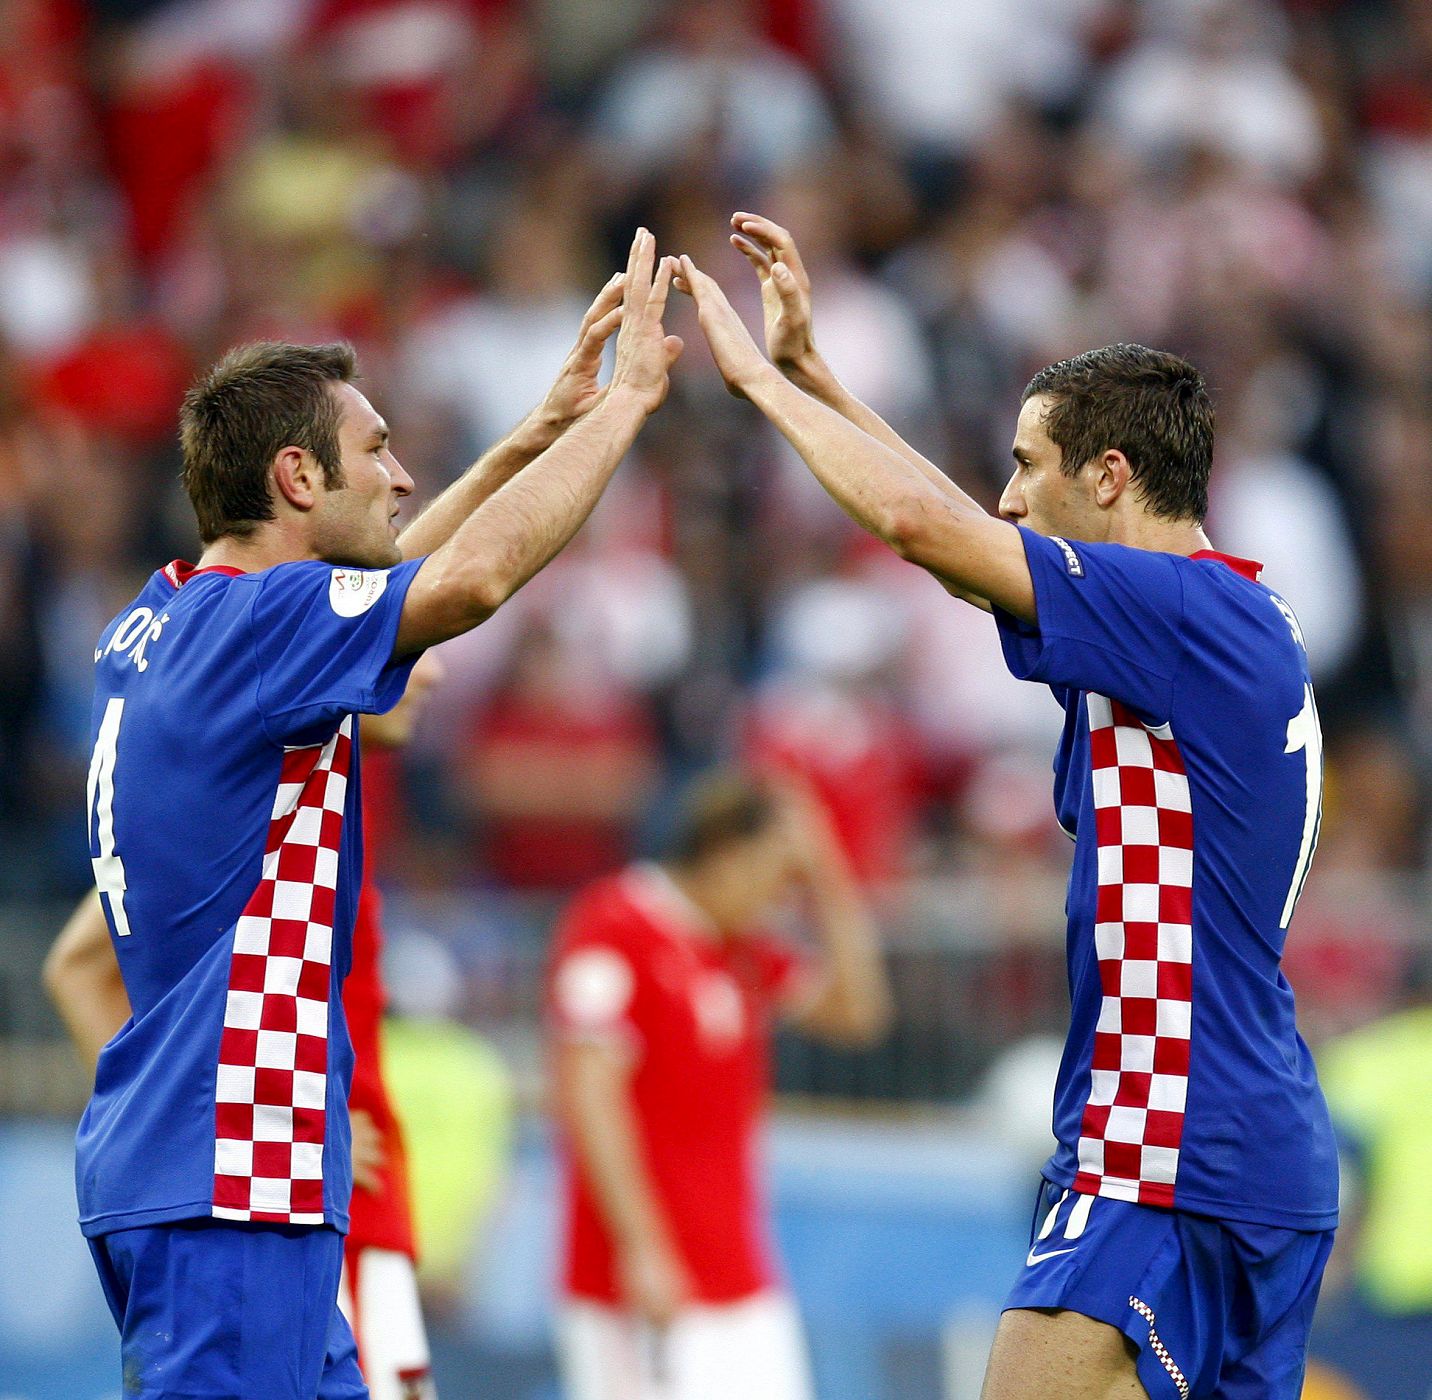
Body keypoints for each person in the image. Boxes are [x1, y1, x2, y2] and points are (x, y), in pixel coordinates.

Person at [673, 217, 1339, 1399]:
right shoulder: (1205, 618)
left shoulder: (1180, 614)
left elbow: (928, 528)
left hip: (1167, 1132)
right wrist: (820, 373)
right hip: (1237, 1131)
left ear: (1111, 476)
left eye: (1029, 465)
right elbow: (956, 538)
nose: (1008, 495)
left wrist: (758, 391)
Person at [65, 228, 680, 1400]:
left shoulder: (163, 621)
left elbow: (388, 578)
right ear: (297, 479)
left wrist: (535, 433)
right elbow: (465, 584)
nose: (400, 476)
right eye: (377, 449)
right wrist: (624, 410)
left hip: (225, 1158)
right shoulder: (257, 628)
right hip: (229, 1162)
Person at [45, 653, 445, 1399]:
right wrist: (176, 1118)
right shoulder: (257, 807)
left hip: (333, 1208)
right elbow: (76, 964)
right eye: (410, 649)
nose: (432, 673)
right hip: (278, 1211)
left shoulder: (333, 798)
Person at [545, 771, 891, 1400]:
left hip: (739, 1275)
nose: (782, 897)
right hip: (638, 1283)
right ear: (728, 856)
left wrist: (829, 876)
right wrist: (642, 1247)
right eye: (776, 875)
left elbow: (859, 1015)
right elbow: (591, 1096)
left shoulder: (744, 952)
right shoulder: (615, 924)